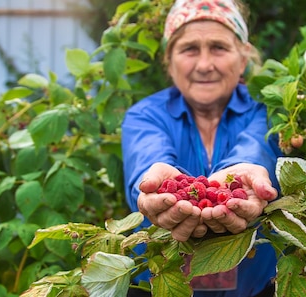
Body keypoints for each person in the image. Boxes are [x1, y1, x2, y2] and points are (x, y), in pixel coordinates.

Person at [121, 0, 282, 296]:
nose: (205, 65)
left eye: (219, 48)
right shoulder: (144, 115)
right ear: (170, 62)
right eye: (189, 49)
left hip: (256, 288)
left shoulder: (267, 110)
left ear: (243, 57)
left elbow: (258, 144)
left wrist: (246, 170)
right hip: (156, 286)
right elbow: (146, 157)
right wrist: (153, 184)